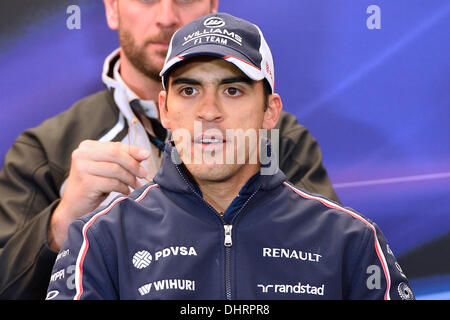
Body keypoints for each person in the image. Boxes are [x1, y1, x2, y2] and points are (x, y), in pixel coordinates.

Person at [45, 13, 414, 300]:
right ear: (166, 110)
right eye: (189, 90)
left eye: (233, 90)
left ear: (271, 111)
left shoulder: (351, 240)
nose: (208, 111)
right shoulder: (98, 242)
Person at [0, 0, 338, 299]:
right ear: (112, 8)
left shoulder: (281, 139)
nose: (167, 16)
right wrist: (61, 223)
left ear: (212, 7)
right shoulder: (45, 150)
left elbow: (327, 262)